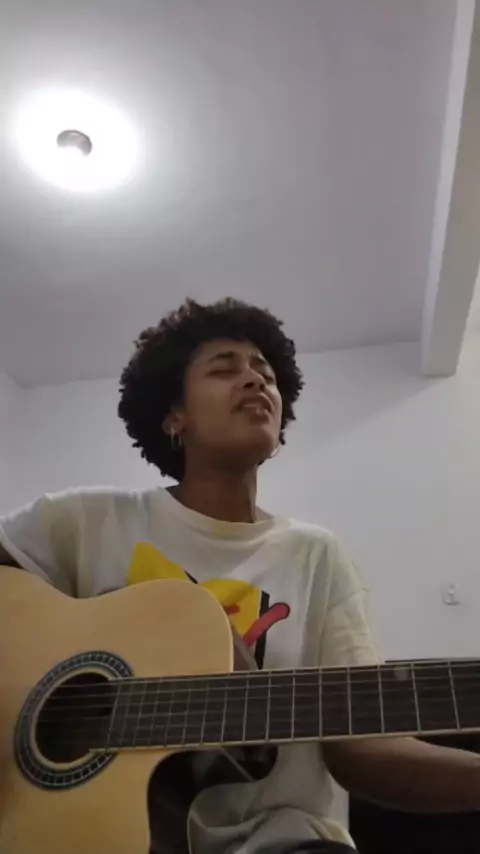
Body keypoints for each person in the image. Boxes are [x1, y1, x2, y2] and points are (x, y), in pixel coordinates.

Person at [1, 297, 480, 854]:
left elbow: (363, 749)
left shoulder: (315, 555)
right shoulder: (85, 521)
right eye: (224, 368)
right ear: (174, 414)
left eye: (265, 372)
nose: (255, 380)